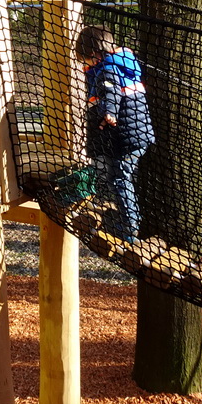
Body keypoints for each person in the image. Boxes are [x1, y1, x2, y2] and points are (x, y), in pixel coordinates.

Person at [75, 24, 154, 242]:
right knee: (119, 174)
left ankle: (130, 228)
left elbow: (110, 90)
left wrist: (109, 111)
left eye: (86, 60)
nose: (86, 65)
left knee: (120, 176)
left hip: (130, 135)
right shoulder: (125, 64)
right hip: (138, 134)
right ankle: (129, 218)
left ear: (93, 55)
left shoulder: (108, 69)